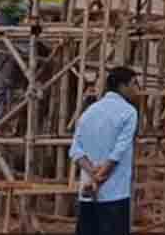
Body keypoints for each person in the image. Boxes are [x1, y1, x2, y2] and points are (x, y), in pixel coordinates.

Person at [69, 67, 140, 235]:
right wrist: (101, 176)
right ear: (122, 86)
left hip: (88, 192)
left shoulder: (89, 112)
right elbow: (118, 151)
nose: (136, 88)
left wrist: (92, 173)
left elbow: (75, 150)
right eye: (134, 83)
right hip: (115, 193)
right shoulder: (129, 112)